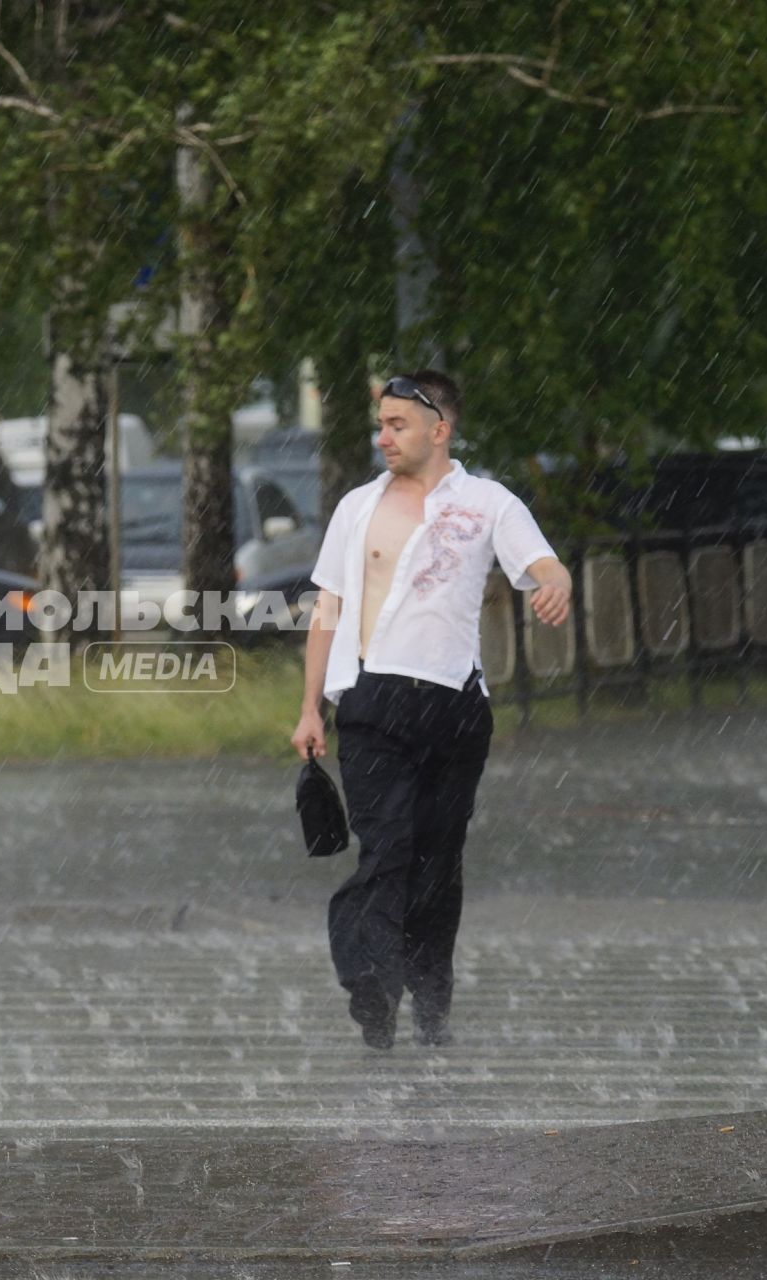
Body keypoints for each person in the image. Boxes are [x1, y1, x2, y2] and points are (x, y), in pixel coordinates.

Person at [290, 370, 570, 1050]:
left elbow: (543, 563)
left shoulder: (487, 502)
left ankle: (431, 997)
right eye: (380, 425)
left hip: (455, 708)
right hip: (373, 702)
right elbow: (326, 609)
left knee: (438, 863)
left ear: (438, 429)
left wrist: (554, 585)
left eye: (397, 425)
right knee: (386, 850)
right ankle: (373, 985)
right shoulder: (358, 507)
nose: (383, 437)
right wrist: (309, 710)